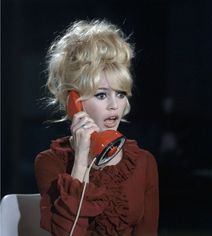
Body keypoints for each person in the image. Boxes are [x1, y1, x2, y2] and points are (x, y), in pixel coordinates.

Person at [35, 19, 159, 236]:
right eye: (101, 95)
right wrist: (81, 159)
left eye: (120, 94)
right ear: (75, 103)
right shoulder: (49, 162)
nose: (114, 105)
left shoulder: (143, 161)